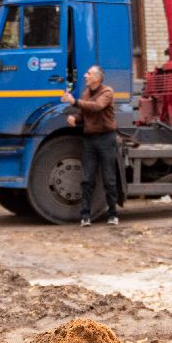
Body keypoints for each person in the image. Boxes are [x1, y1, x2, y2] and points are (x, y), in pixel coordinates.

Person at [60, 65, 120, 226]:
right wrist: (75, 118)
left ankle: (113, 213)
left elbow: (97, 107)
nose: (85, 76)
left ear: (97, 78)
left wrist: (74, 102)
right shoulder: (86, 93)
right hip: (90, 139)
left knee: (109, 179)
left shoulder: (107, 92)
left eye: (89, 74)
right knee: (87, 179)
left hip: (106, 139)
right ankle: (85, 216)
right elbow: (84, 113)